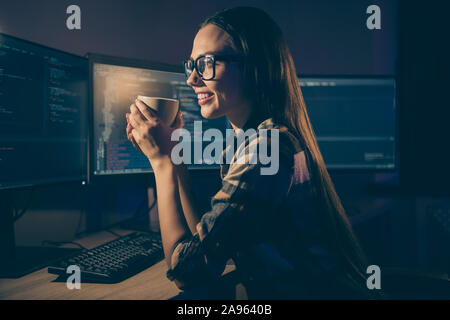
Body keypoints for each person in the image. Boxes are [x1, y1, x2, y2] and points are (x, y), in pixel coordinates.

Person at [126, 7, 372, 299]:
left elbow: (189, 272)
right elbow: (211, 243)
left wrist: (161, 164)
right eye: (191, 65)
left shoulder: (265, 152)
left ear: (253, 68)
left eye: (206, 63)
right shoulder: (254, 142)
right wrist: (176, 159)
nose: (192, 79)